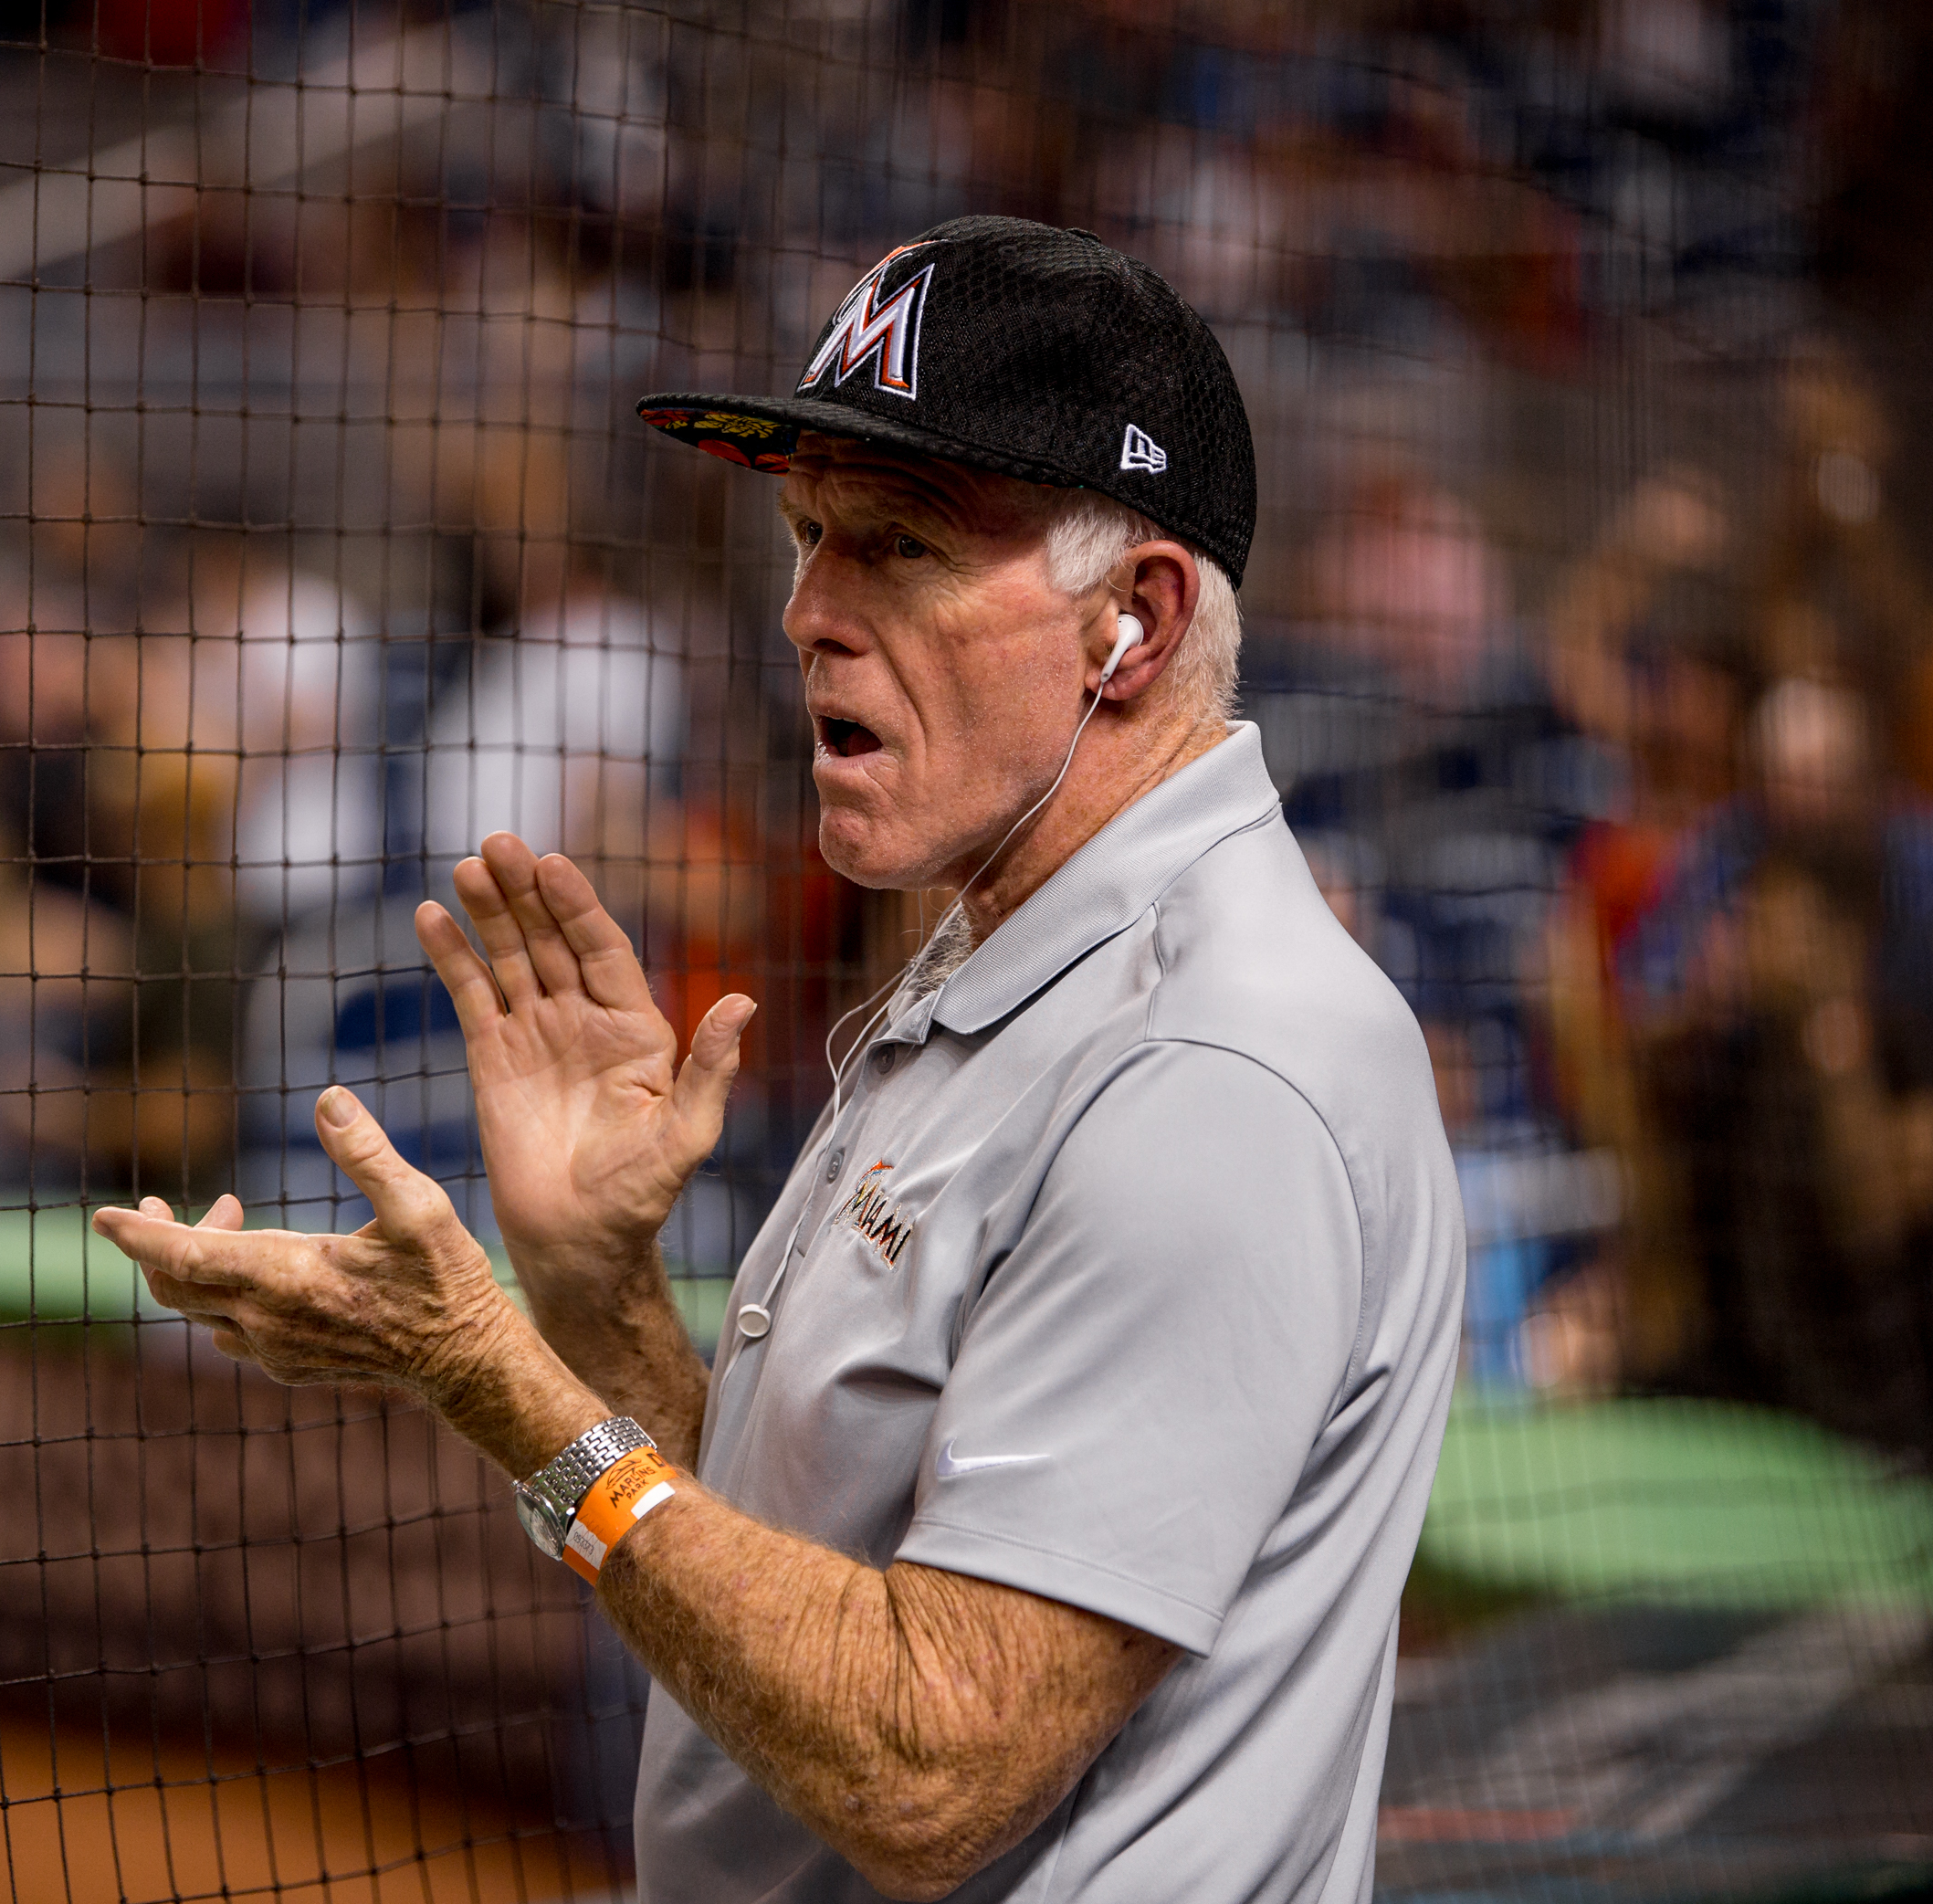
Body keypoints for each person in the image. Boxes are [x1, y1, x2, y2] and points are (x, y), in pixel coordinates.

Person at [93, 218, 1464, 1904]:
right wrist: (596, 1307)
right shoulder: (1020, 947)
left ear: (1136, 621)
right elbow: (822, 1586)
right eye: (811, 534)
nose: (811, 608)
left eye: (898, 544)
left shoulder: (1211, 1069)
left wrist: (496, 1381)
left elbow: (928, 1761)